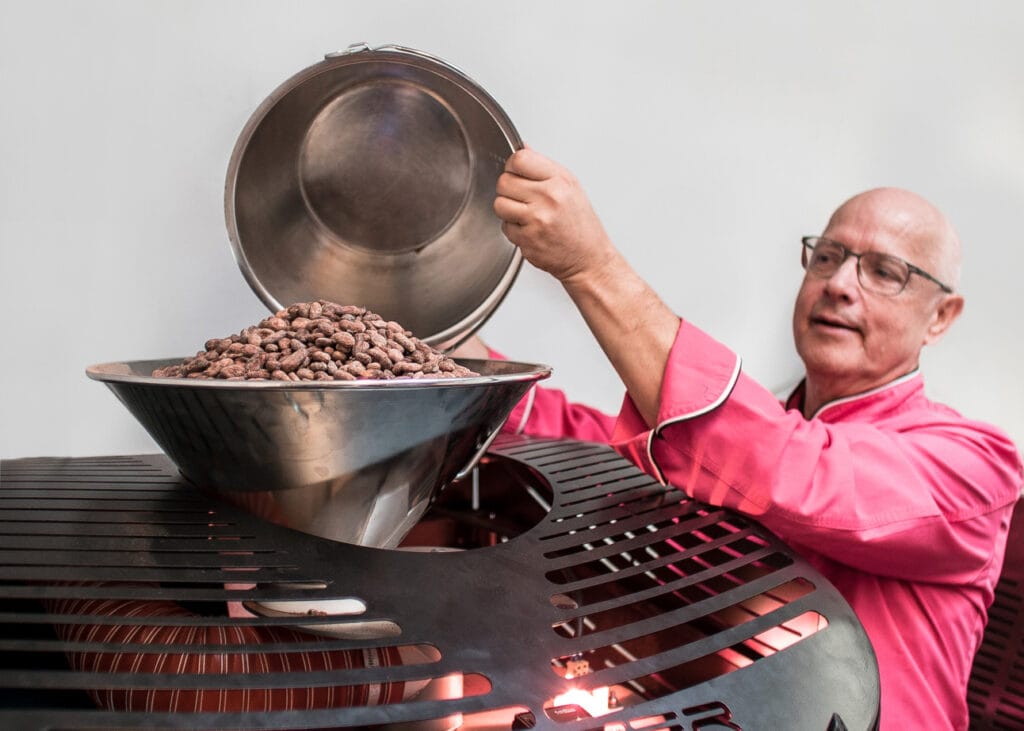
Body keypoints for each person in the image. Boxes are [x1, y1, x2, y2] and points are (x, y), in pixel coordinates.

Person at [456, 147, 1024, 730]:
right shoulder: (766, 430)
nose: (839, 285)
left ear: (941, 317)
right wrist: (452, 355)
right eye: (827, 257)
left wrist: (592, 267)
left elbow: (788, 472)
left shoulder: (975, 463)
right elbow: (602, 453)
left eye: (884, 272)